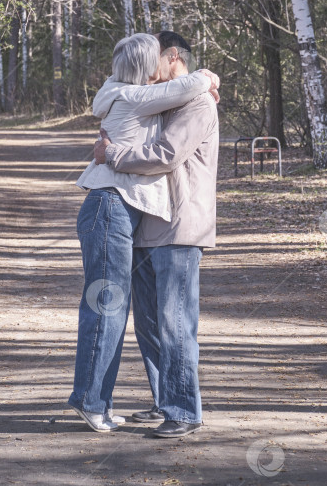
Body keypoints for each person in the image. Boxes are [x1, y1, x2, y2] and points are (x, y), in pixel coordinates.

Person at [68, 33, 220, 433]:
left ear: (172, 58)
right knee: (150, 323)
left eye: (157, 60)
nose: (151, 70)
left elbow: (165, 156)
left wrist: (112, 154)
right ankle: (162, 399)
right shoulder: (158, 98)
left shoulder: (197, 103)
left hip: (180, 227)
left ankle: (183, 410)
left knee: (175, 322)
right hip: (146, 225)